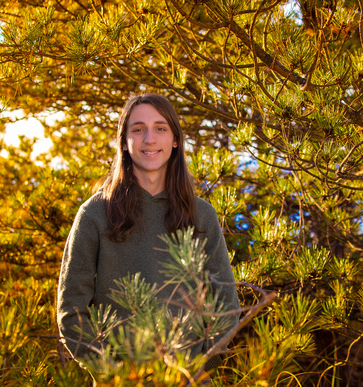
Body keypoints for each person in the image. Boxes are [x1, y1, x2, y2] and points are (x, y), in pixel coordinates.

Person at [56, 93, 241, 377]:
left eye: (160, 128)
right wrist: (111, 374)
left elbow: (227, 305)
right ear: (125, 142)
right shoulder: (94, 214)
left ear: (175, 140)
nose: (149, 139)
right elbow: (71, 310)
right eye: (138, 129)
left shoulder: (202, 216)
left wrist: (196, 368)